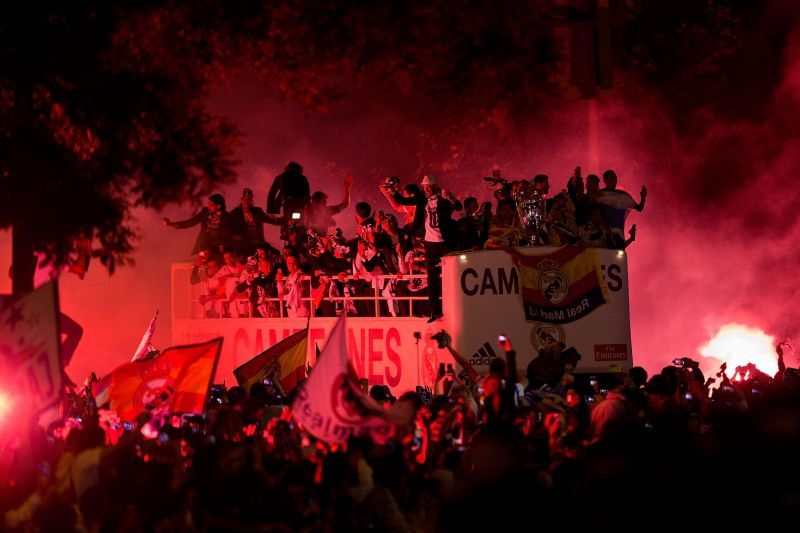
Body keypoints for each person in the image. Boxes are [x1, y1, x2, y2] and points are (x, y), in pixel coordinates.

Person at [389, 174, 462, 322]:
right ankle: (434, 311)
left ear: (435, 186)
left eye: (429, 187)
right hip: (430, 243)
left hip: (445, 242)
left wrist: (451, 198)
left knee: (451, 275)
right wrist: (392, 192)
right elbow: (404, 201)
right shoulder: (422, 198)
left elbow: (458, 207)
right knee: (432, 277)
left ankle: (456, 306)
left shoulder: (443, 197)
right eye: (425, 187)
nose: (426, 190)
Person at [163, 193, 229, 255]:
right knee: (203, 262)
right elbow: (191, 222)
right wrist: (171, 224)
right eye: (208, 204)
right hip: (204, 246)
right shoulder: (205, 212)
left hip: (218, 248)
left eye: (211, 205)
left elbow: (227, 234)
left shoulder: (226, 217)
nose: (208, 207)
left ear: (219, 206)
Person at [228, 188, 281, 253]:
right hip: (244, 247)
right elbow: (227, 227)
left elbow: (270, 220)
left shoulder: (257, 211)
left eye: (249, 200)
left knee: (275, 253)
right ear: (241, 201)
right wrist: (233, 235)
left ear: (251, 201)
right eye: (244, 200)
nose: (246, 202)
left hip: (259, 245)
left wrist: (278, 219)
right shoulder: (235, 213)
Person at [266, 161, 311, 227]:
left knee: (287, 220)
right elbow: (307, 193)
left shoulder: (281, 177)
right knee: (301, 223)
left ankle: (286, 232)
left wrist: (271, 210)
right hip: (300, 204)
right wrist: (307, 203)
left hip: (288, 203)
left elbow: (272, 193)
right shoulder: (303, 178)